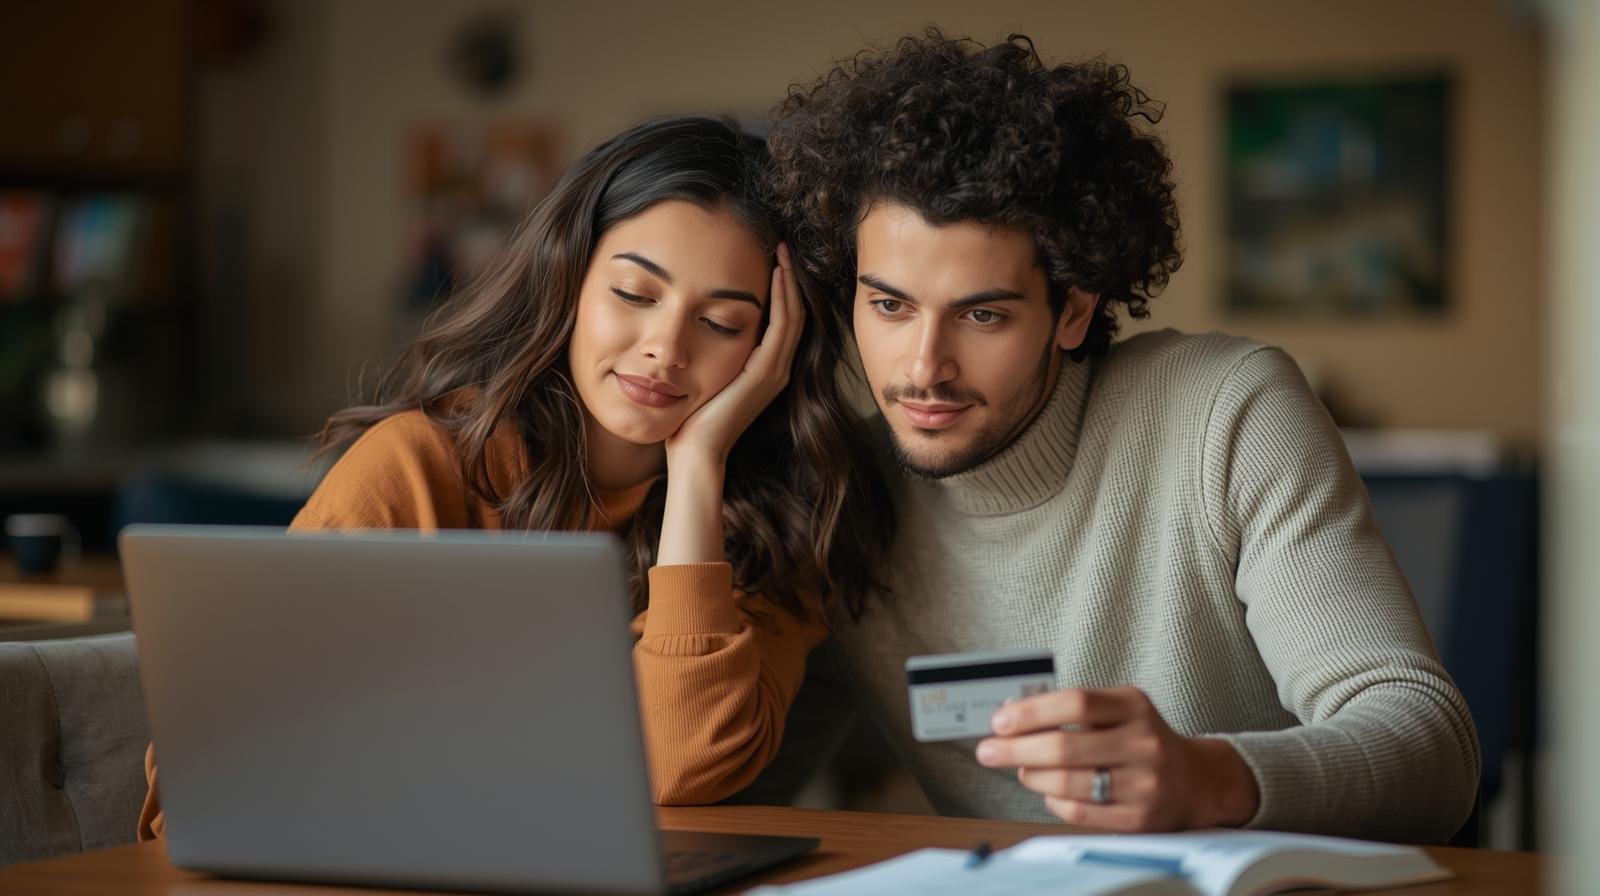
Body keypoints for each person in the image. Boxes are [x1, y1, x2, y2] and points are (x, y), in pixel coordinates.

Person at [763, 29, 1479, 841]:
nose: (924, 367)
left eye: (983, 314)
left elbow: (1434, 752)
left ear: (1074, 308)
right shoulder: (842, 491)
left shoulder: (1224, 413)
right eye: (890, 307)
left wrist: (1212, 778)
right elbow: (736, 786)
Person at [136, 115, 893, 839]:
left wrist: (697, 467)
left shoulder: (783, 523)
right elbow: (204, 786)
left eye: (723, 323)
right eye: (634, 294)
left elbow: (681, 764)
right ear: (567, 281)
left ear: (772, 349)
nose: (666, 348)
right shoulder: (420, 467)